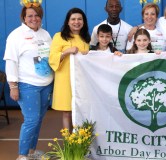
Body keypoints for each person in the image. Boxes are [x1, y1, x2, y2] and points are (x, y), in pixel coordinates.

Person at [3, 1, 53, 159]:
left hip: (46, 84)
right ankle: (22, 155)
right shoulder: (16, 35)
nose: (34, 18)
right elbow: (11, 61)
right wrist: (13, 86)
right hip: (27, 85)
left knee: (38, 120)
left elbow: (50, 57)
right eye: (30, 16)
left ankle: (32, 151)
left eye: (37, 15)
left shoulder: (45, 34)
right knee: (31, 120)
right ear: (24, 18)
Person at [49, 8, 90, 133]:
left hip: (81, 80)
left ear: (83, 22)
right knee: (67, 112)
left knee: (81, 111)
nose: (76, 22)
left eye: (79, 19)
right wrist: (66, 51)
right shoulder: (59, 37)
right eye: (73, 19)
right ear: (67, 21)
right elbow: (52, 58)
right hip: (65, 80)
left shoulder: (86, 38)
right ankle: (69, 143)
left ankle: (80, 140)